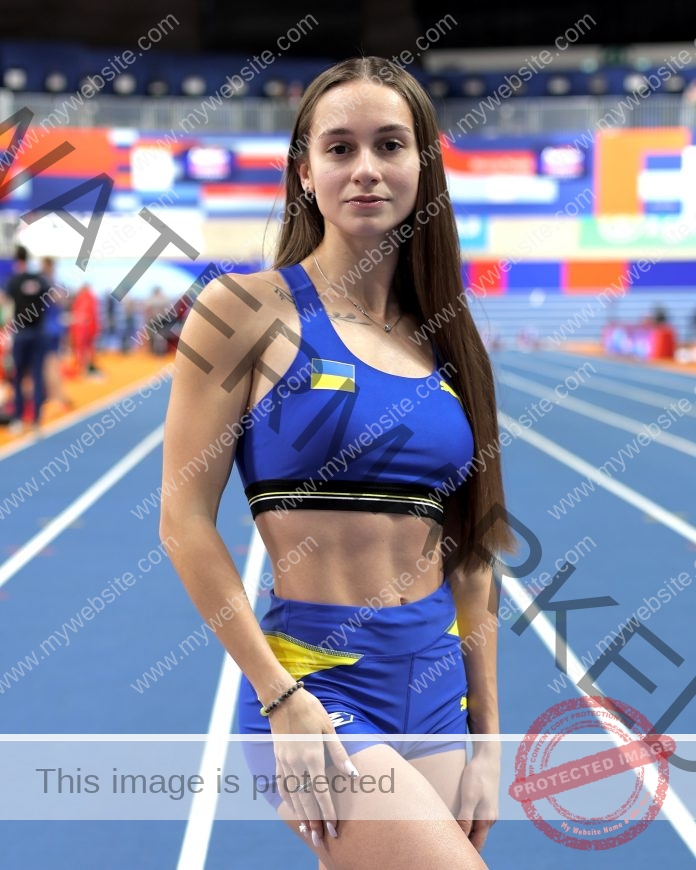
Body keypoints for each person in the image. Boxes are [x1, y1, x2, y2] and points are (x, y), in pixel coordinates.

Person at [160, 56, 517, 869]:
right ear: (305, 169)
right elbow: (182, 524)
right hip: (320, 686)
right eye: (340, 148)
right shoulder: (244, 311)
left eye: (389, 145)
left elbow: (470, 553)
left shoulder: (445, 341)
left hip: (435, 689)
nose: (365, 169)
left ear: (422, 167)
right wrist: (278, 695)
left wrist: (489, 732)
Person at [0, 245, 50, 434]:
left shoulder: (13, 280)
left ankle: (19, 418)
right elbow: (53, 298)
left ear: (15, 260)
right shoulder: (39, 280)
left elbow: (4, 301)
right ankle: (36, 420)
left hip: (21, 333)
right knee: (37, 375)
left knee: (18, 376)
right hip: (38, 332)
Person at [40, 257, 73, 410]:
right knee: (51, 363)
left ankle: (55, 397)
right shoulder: (54, 283)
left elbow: (59, 301)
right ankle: (56, 395)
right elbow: (62, 301)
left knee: (49, 364)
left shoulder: (45, 283)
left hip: (47, 329)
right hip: (53, 327)